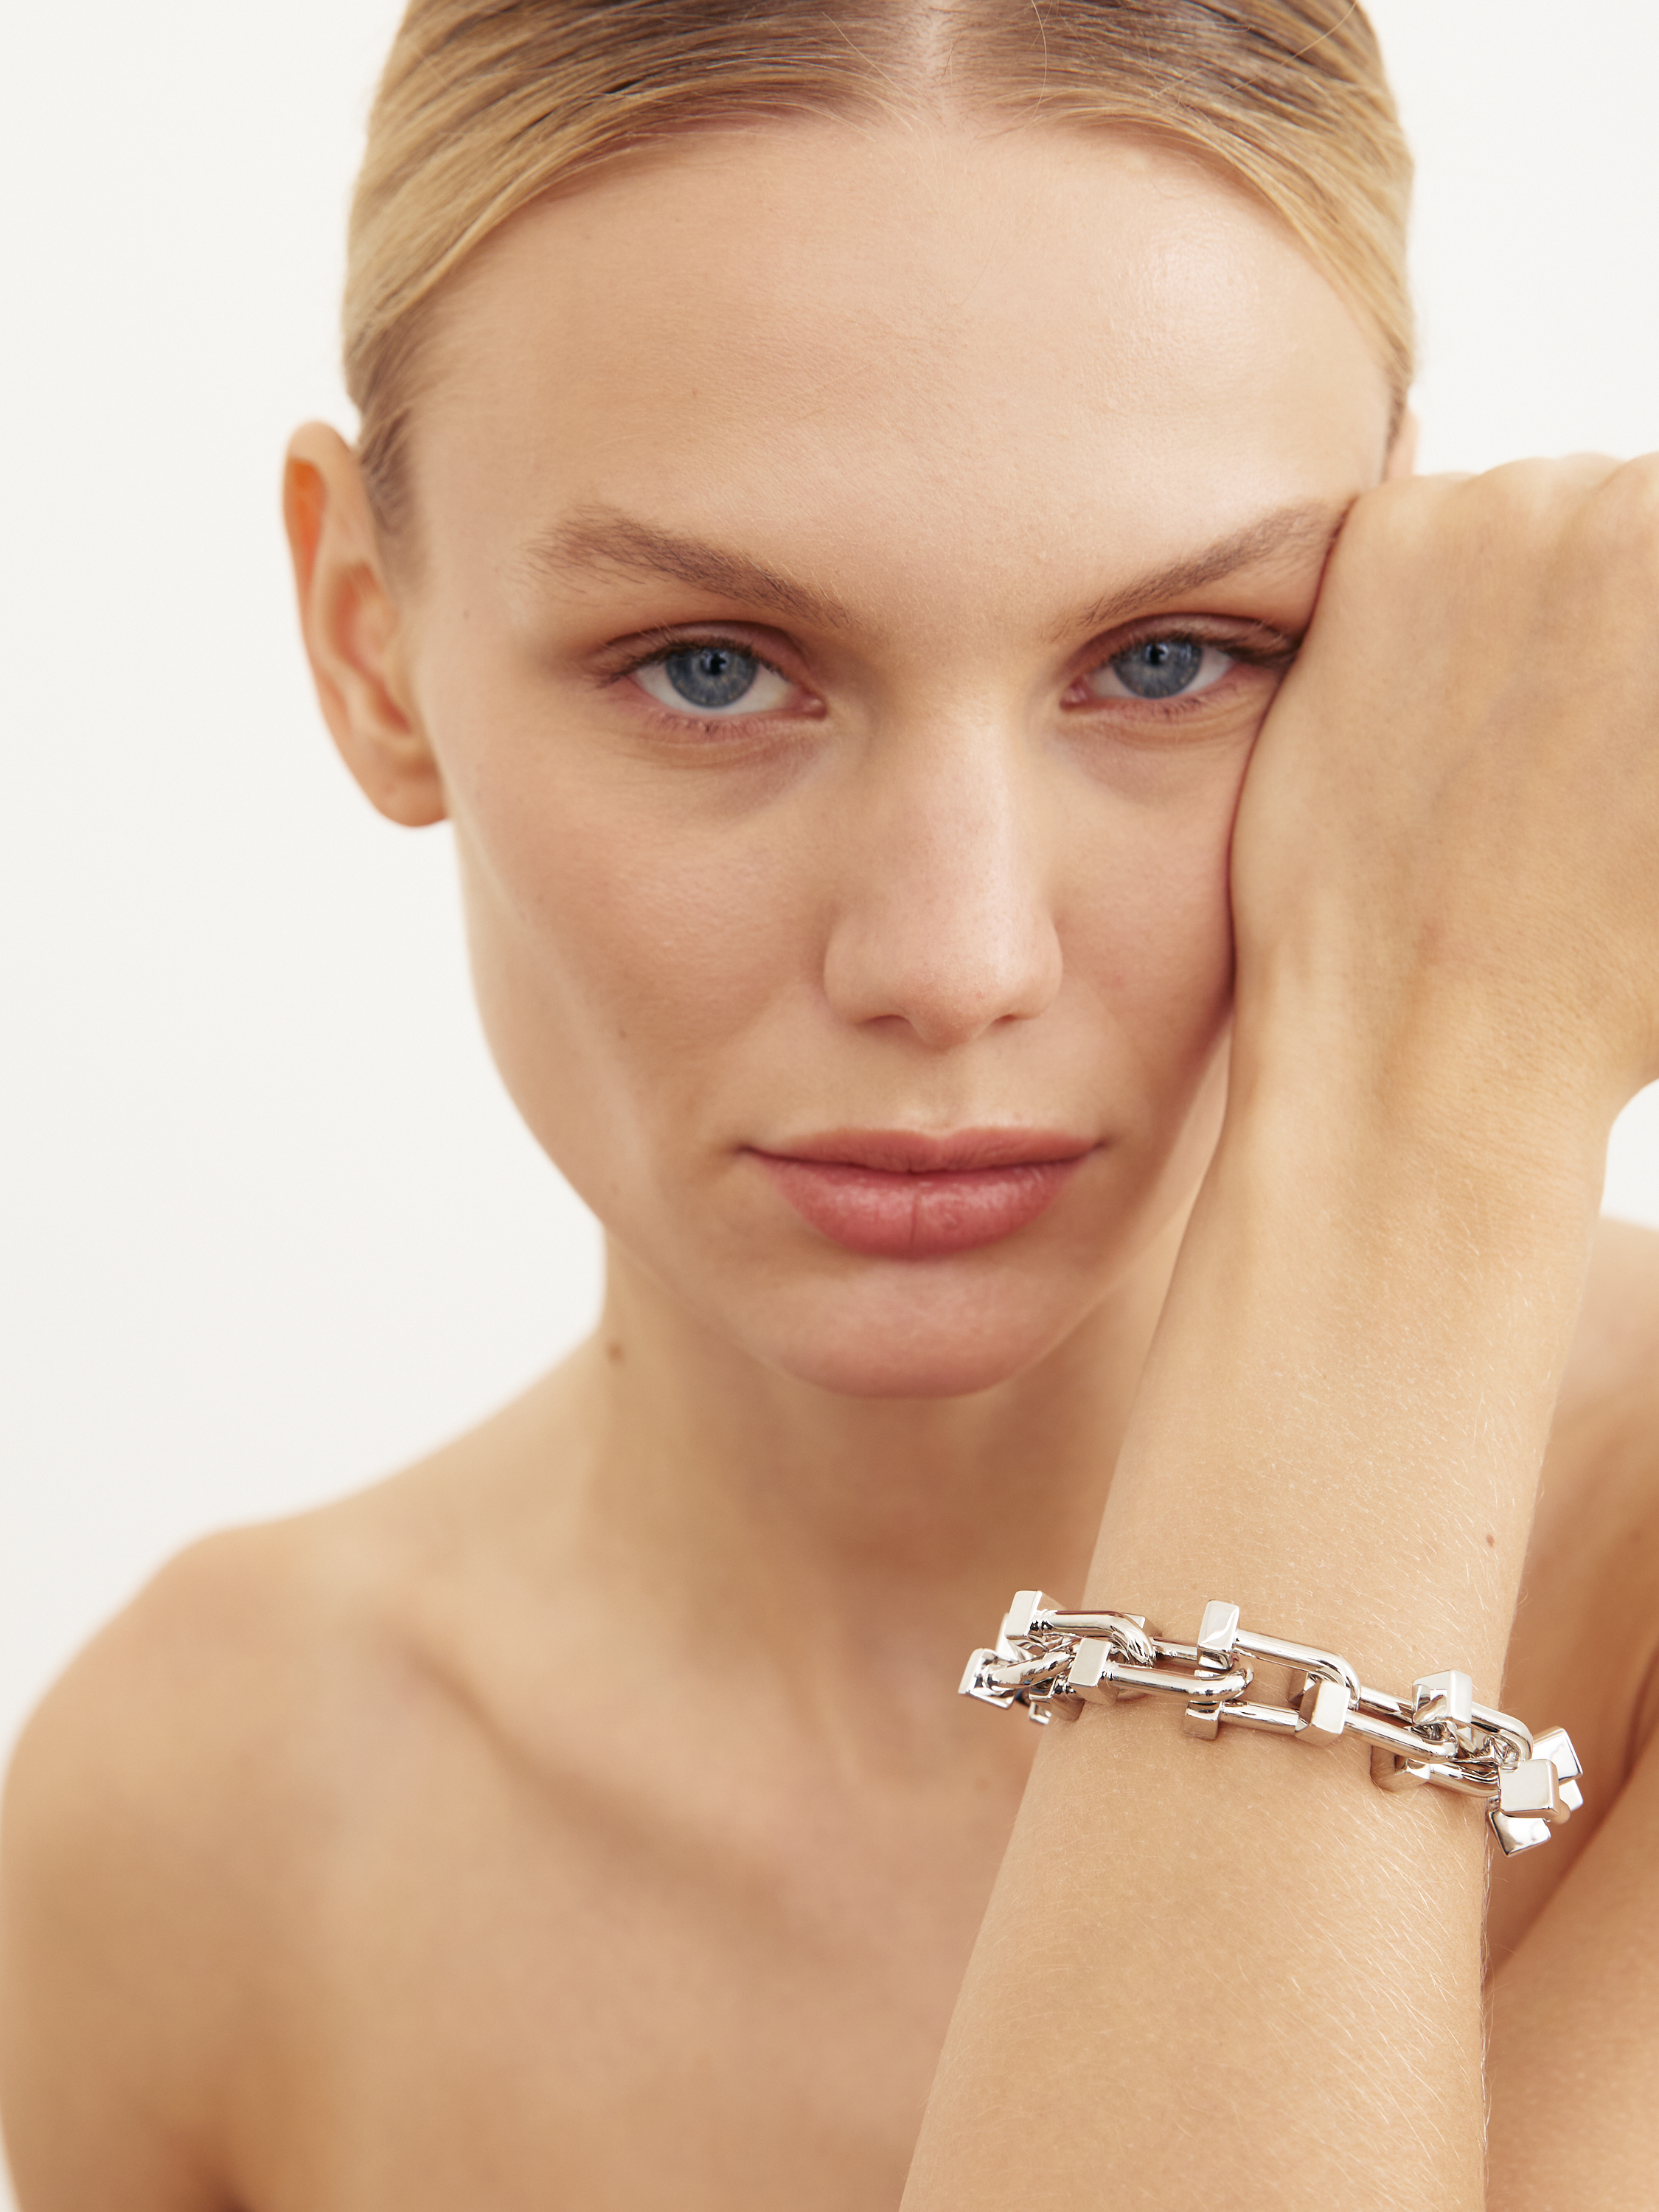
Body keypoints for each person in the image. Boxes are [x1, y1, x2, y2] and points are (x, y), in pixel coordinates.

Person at [2, 1, 1657, 2203]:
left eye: (1172, 657)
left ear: (1403, 635)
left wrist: (1436, 1102)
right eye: (712, 669)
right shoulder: (194, 1822)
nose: (955, 959)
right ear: (366, 636)